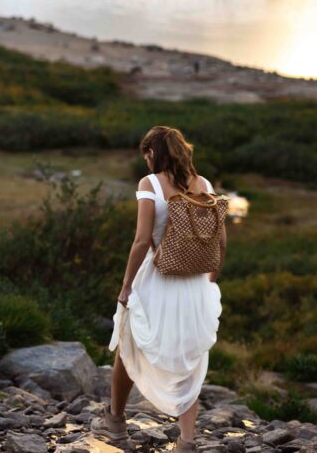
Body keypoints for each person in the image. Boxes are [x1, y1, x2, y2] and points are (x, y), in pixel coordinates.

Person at [92, 126, 226, 452]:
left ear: (154, 153)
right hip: (195, 284)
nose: (146, 162)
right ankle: (187, 441)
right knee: (190, 358)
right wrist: (209, 281)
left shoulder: (149, 184)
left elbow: (141, 241)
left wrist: (125, 287)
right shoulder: (204, 185)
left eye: (147, 155)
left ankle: (116, 422)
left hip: (158, 278)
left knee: (128, 341)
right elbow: (220, 243)